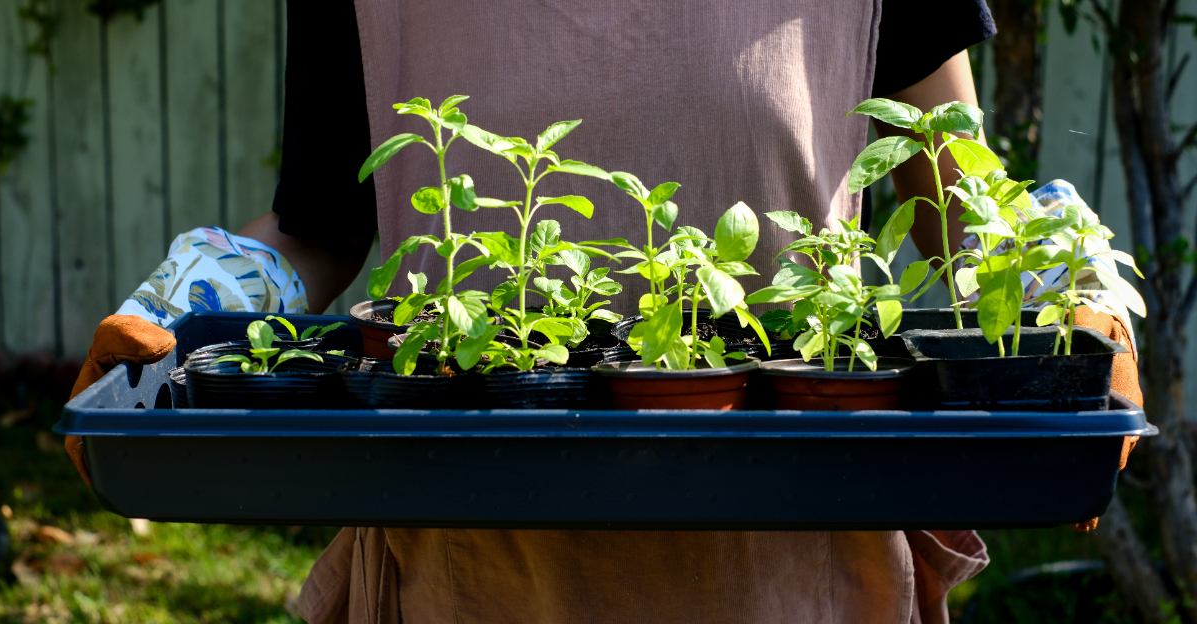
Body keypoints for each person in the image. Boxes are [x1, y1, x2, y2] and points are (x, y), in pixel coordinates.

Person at [68, 1, 1111, 622]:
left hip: (794, 564)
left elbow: (961, 202)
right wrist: (196, 301)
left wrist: (1074, 306)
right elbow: (322, 223)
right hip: (474, 568)